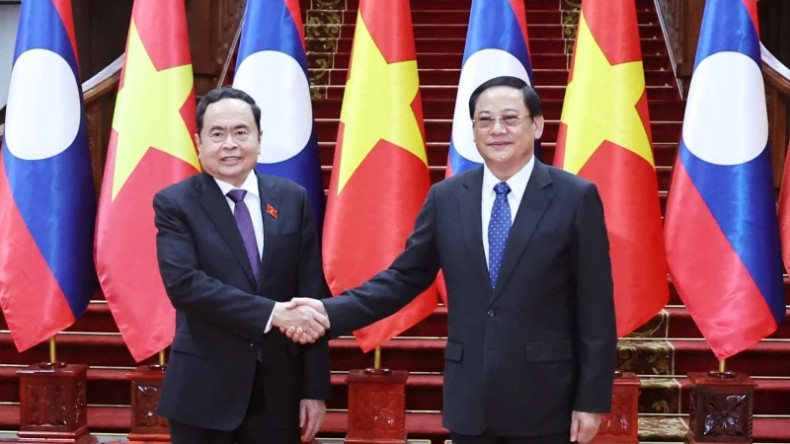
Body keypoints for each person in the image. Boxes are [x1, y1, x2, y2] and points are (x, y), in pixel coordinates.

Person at [287, 76, 617, 444]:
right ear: (472, 130)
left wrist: (591, 400)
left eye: (510, 118)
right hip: (470, 402)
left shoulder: (575, 197)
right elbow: (403, 278)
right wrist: (327, 312)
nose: (497, 130)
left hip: (547, 401)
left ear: (537, 125)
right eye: (484, 120)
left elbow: (596, 309)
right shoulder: (446, 198)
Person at [153, 86, 332, 444]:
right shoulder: (176, 203)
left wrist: (314, 388)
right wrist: (273, 314)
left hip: (278, 395)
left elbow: (310, 295)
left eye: (240, 132)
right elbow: (185, 285)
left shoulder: (292, 199)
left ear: (259, 138)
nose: (230, 144)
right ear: (198, 142)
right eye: (217, 134)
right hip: (203, 392)